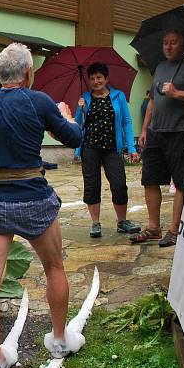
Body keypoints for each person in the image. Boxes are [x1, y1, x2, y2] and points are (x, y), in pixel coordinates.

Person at [0, 43, 84, 368]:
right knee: (54, 267)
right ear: (28, 73)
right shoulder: (38, 100)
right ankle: (58, 340)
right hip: (35, 201)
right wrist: (67, 115)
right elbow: (73, 138)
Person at [132, 29, 184, 247]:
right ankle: (153, 228)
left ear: (183, 46)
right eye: (165, 43)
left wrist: (177, 93)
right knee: (150, 179)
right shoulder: (160, 68)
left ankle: (174, 229)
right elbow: (152, 100)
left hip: (179, 131)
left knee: (180, 181)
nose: (169, 47)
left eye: (174, 43)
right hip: (156, 132)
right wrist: (144, 128)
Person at [75, 62, 141, 238]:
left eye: (99, 77)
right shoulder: (84, 98)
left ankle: (122, 222)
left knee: (119, 184)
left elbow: (126, 122)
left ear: (106, 79)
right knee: (92, 186)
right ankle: (95, 223)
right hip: (90, 148)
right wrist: (80, 109)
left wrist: (131, 147)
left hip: (112, 148)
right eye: (92, 78)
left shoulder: (118, 96)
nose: (96, 81)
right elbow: (77, 125)